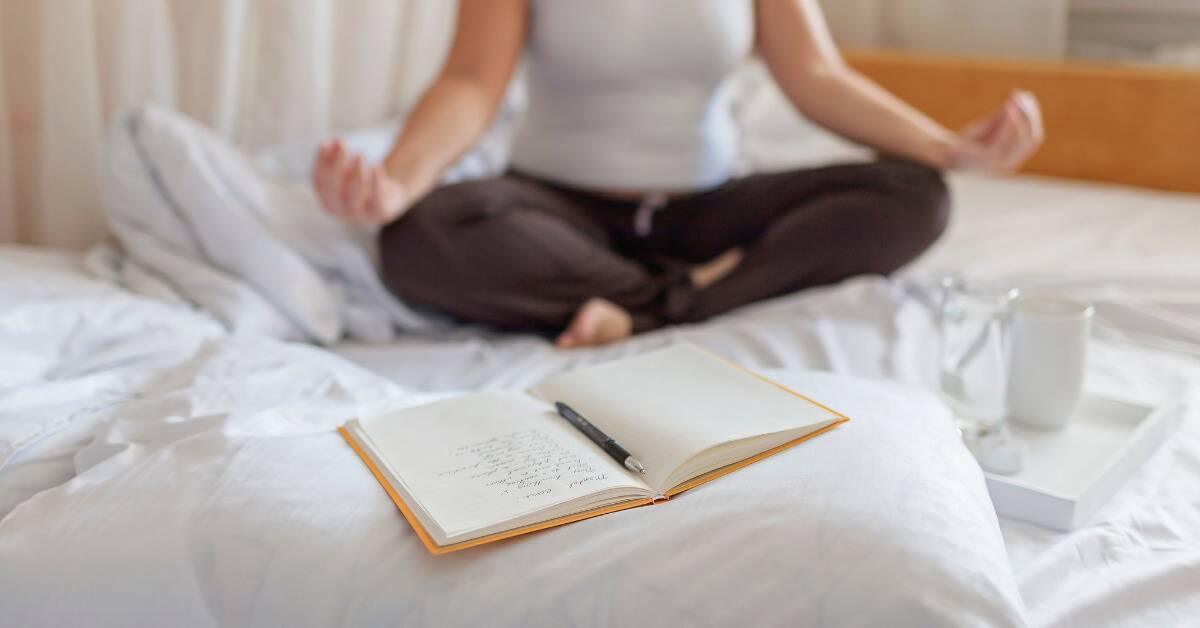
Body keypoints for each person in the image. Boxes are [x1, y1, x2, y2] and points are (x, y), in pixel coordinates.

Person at [312, 0, 1043, 348]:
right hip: (559, 209)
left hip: (705, 210)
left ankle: (648, 309)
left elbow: (815, 74)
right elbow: (472, 82)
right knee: (421, 233)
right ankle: (695, 297)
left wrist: (946, 148)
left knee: (913, 196)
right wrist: (399, 181)